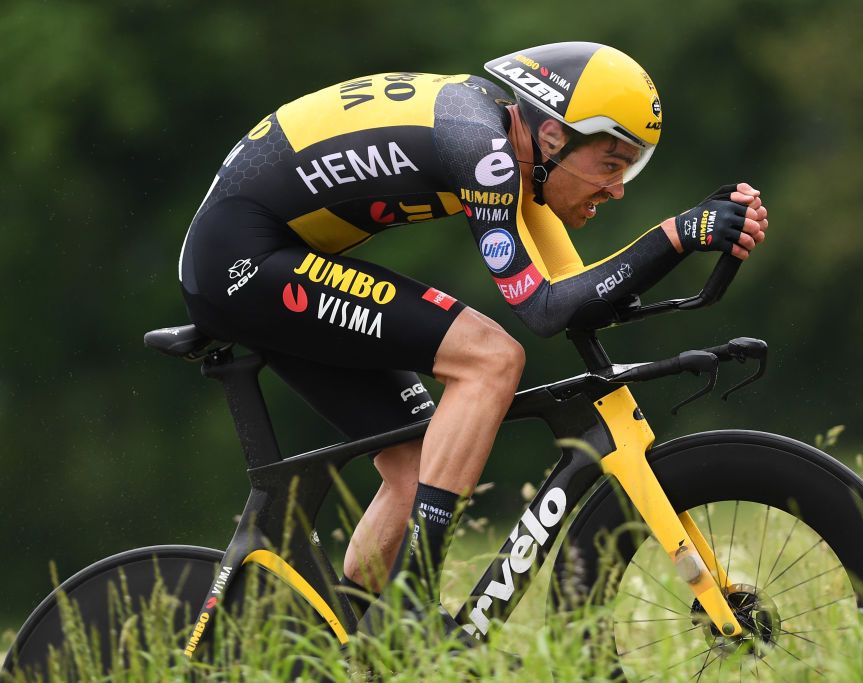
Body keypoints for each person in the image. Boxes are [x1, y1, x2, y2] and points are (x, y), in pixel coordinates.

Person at [176, 41, 768, 636]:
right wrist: (676, 235)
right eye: (611, 165)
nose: (617, 190)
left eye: (630, 169)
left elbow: (577, 296)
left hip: (271, 256)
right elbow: (541, 311)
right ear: (555, 137)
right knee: (490, 358)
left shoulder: (516, 149)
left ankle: (366, 644)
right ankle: (413, 605)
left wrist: (694, 237)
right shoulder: (483, 148)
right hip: (242, 266)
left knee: (415, 468)